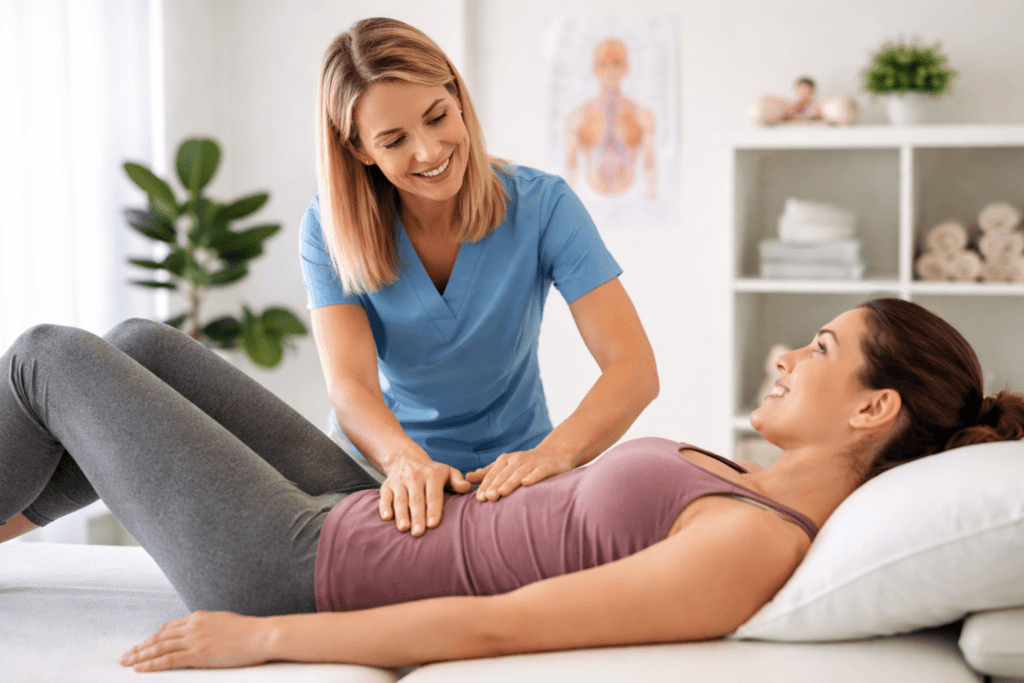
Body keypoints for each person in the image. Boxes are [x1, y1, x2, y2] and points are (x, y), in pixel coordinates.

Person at [1, 299, 1021, 671]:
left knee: (50, 355)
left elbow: (502, 625)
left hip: (300, 565)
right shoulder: (739, 478)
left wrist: (260, 634)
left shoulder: (754, 539)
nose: (792, 355)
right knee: (136, 343)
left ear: (871, 409)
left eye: (824, 345)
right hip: (377, 508)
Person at [300, 18, 658, 540]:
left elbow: (633, 368)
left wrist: (554, 454)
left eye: (437, 116)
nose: (429, 151)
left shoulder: (543, 206)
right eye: (395, 140)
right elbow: (350, 385)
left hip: (512, 473)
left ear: (457, 96)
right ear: (358, 149)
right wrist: (404, 463)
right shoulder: (328, 227)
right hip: (381, 472)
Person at [566, 37, 657, 199]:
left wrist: (653, 193)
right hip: (593, 196)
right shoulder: (579, 116)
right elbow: (571, 164)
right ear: (595, 68)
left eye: (616, 64)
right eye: (604, 64)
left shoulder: (642, 115)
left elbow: (650, 162)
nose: (610, 71)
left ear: (626, 67)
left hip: (631, 198)